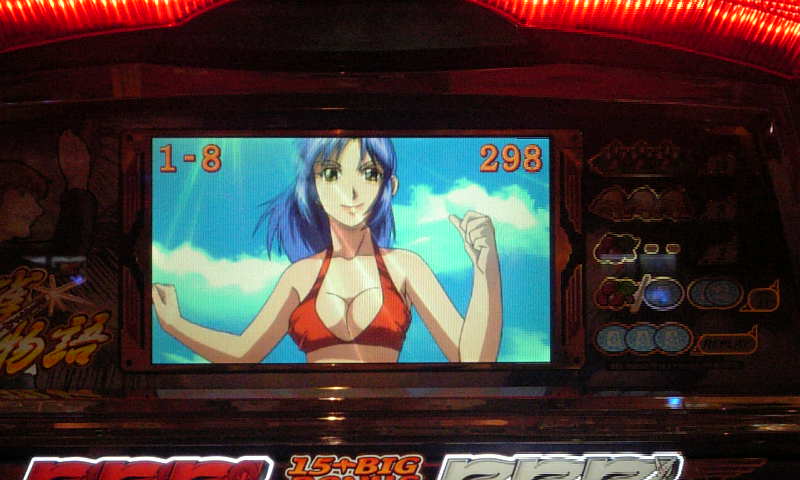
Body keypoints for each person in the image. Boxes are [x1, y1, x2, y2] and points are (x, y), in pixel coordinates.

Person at [152, 138, 502, 363]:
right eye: (332, 173)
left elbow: (473, 360)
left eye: (369, 173)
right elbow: (245, 353)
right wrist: (174, 324)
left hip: (390, 425)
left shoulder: (406, 266)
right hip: (307, 426)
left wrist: (485, 267)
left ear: (389, 186)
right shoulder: (300, 275)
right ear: (314, 188)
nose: (351, 192)